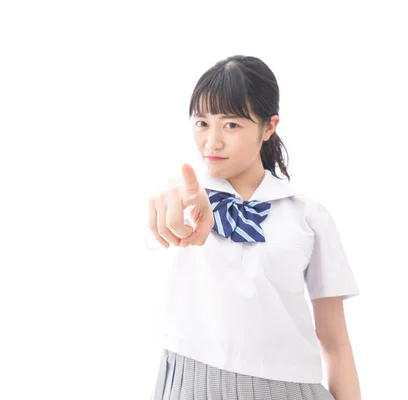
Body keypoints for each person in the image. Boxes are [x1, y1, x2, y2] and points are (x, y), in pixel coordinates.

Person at [147, 55, 361, 400]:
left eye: (231, 125)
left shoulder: (308, 216)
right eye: (202, 123)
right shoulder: (178, 196)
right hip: (192, 387)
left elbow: (335, 343)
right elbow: (161, 222)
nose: (211, 142)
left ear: (269, 126)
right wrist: (181, 205)